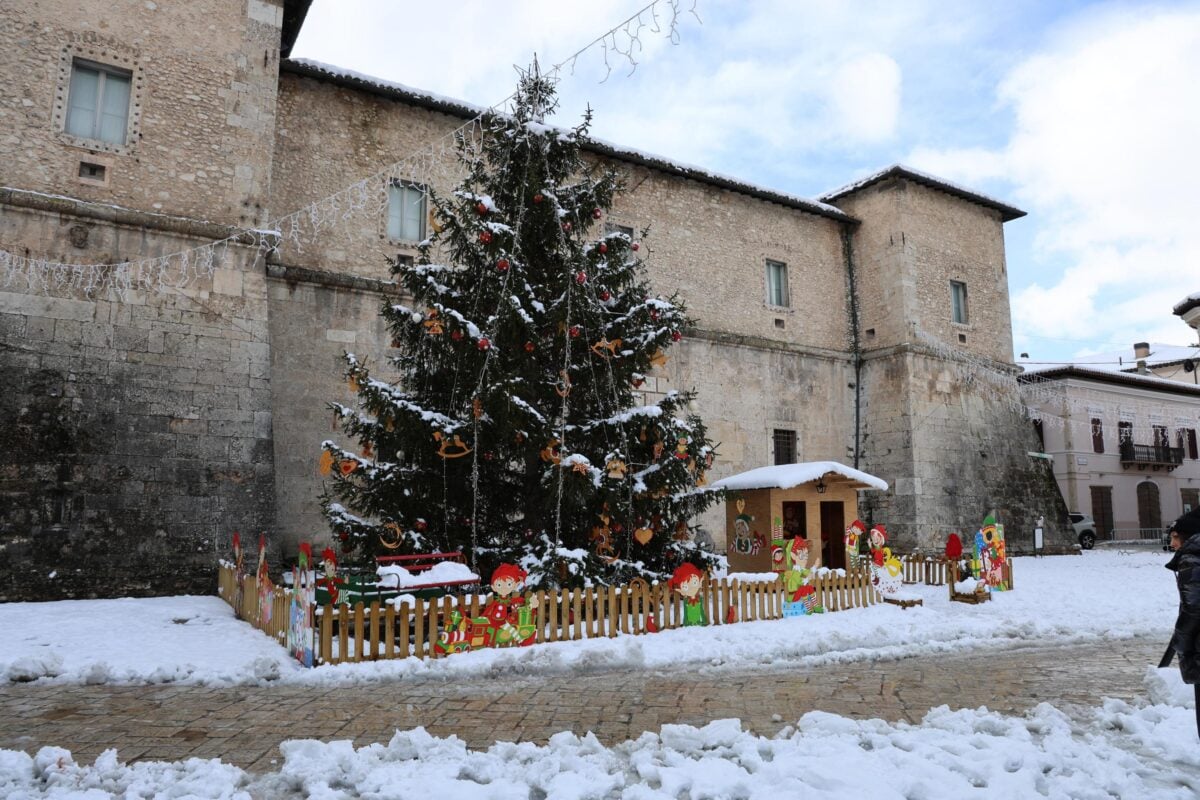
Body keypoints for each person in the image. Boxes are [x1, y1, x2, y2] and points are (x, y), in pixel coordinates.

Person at [1166, 507, 1200, 737]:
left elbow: (1193, 607)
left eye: (1174, 537)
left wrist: (1180, 641)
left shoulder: (1192, 559)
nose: (1171, 544)